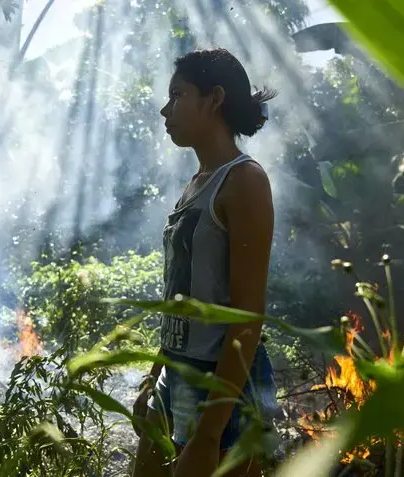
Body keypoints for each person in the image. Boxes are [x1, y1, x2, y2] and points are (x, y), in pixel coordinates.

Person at [131, 48, 278, 477]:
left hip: (223, 386)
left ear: (213, 100)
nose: (165, 108)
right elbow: (179, 293)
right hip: (177, 373)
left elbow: (248, 315)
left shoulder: (244, 182)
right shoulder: (197, 185)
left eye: (177, 95)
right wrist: (154, 376)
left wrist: (211, 432)